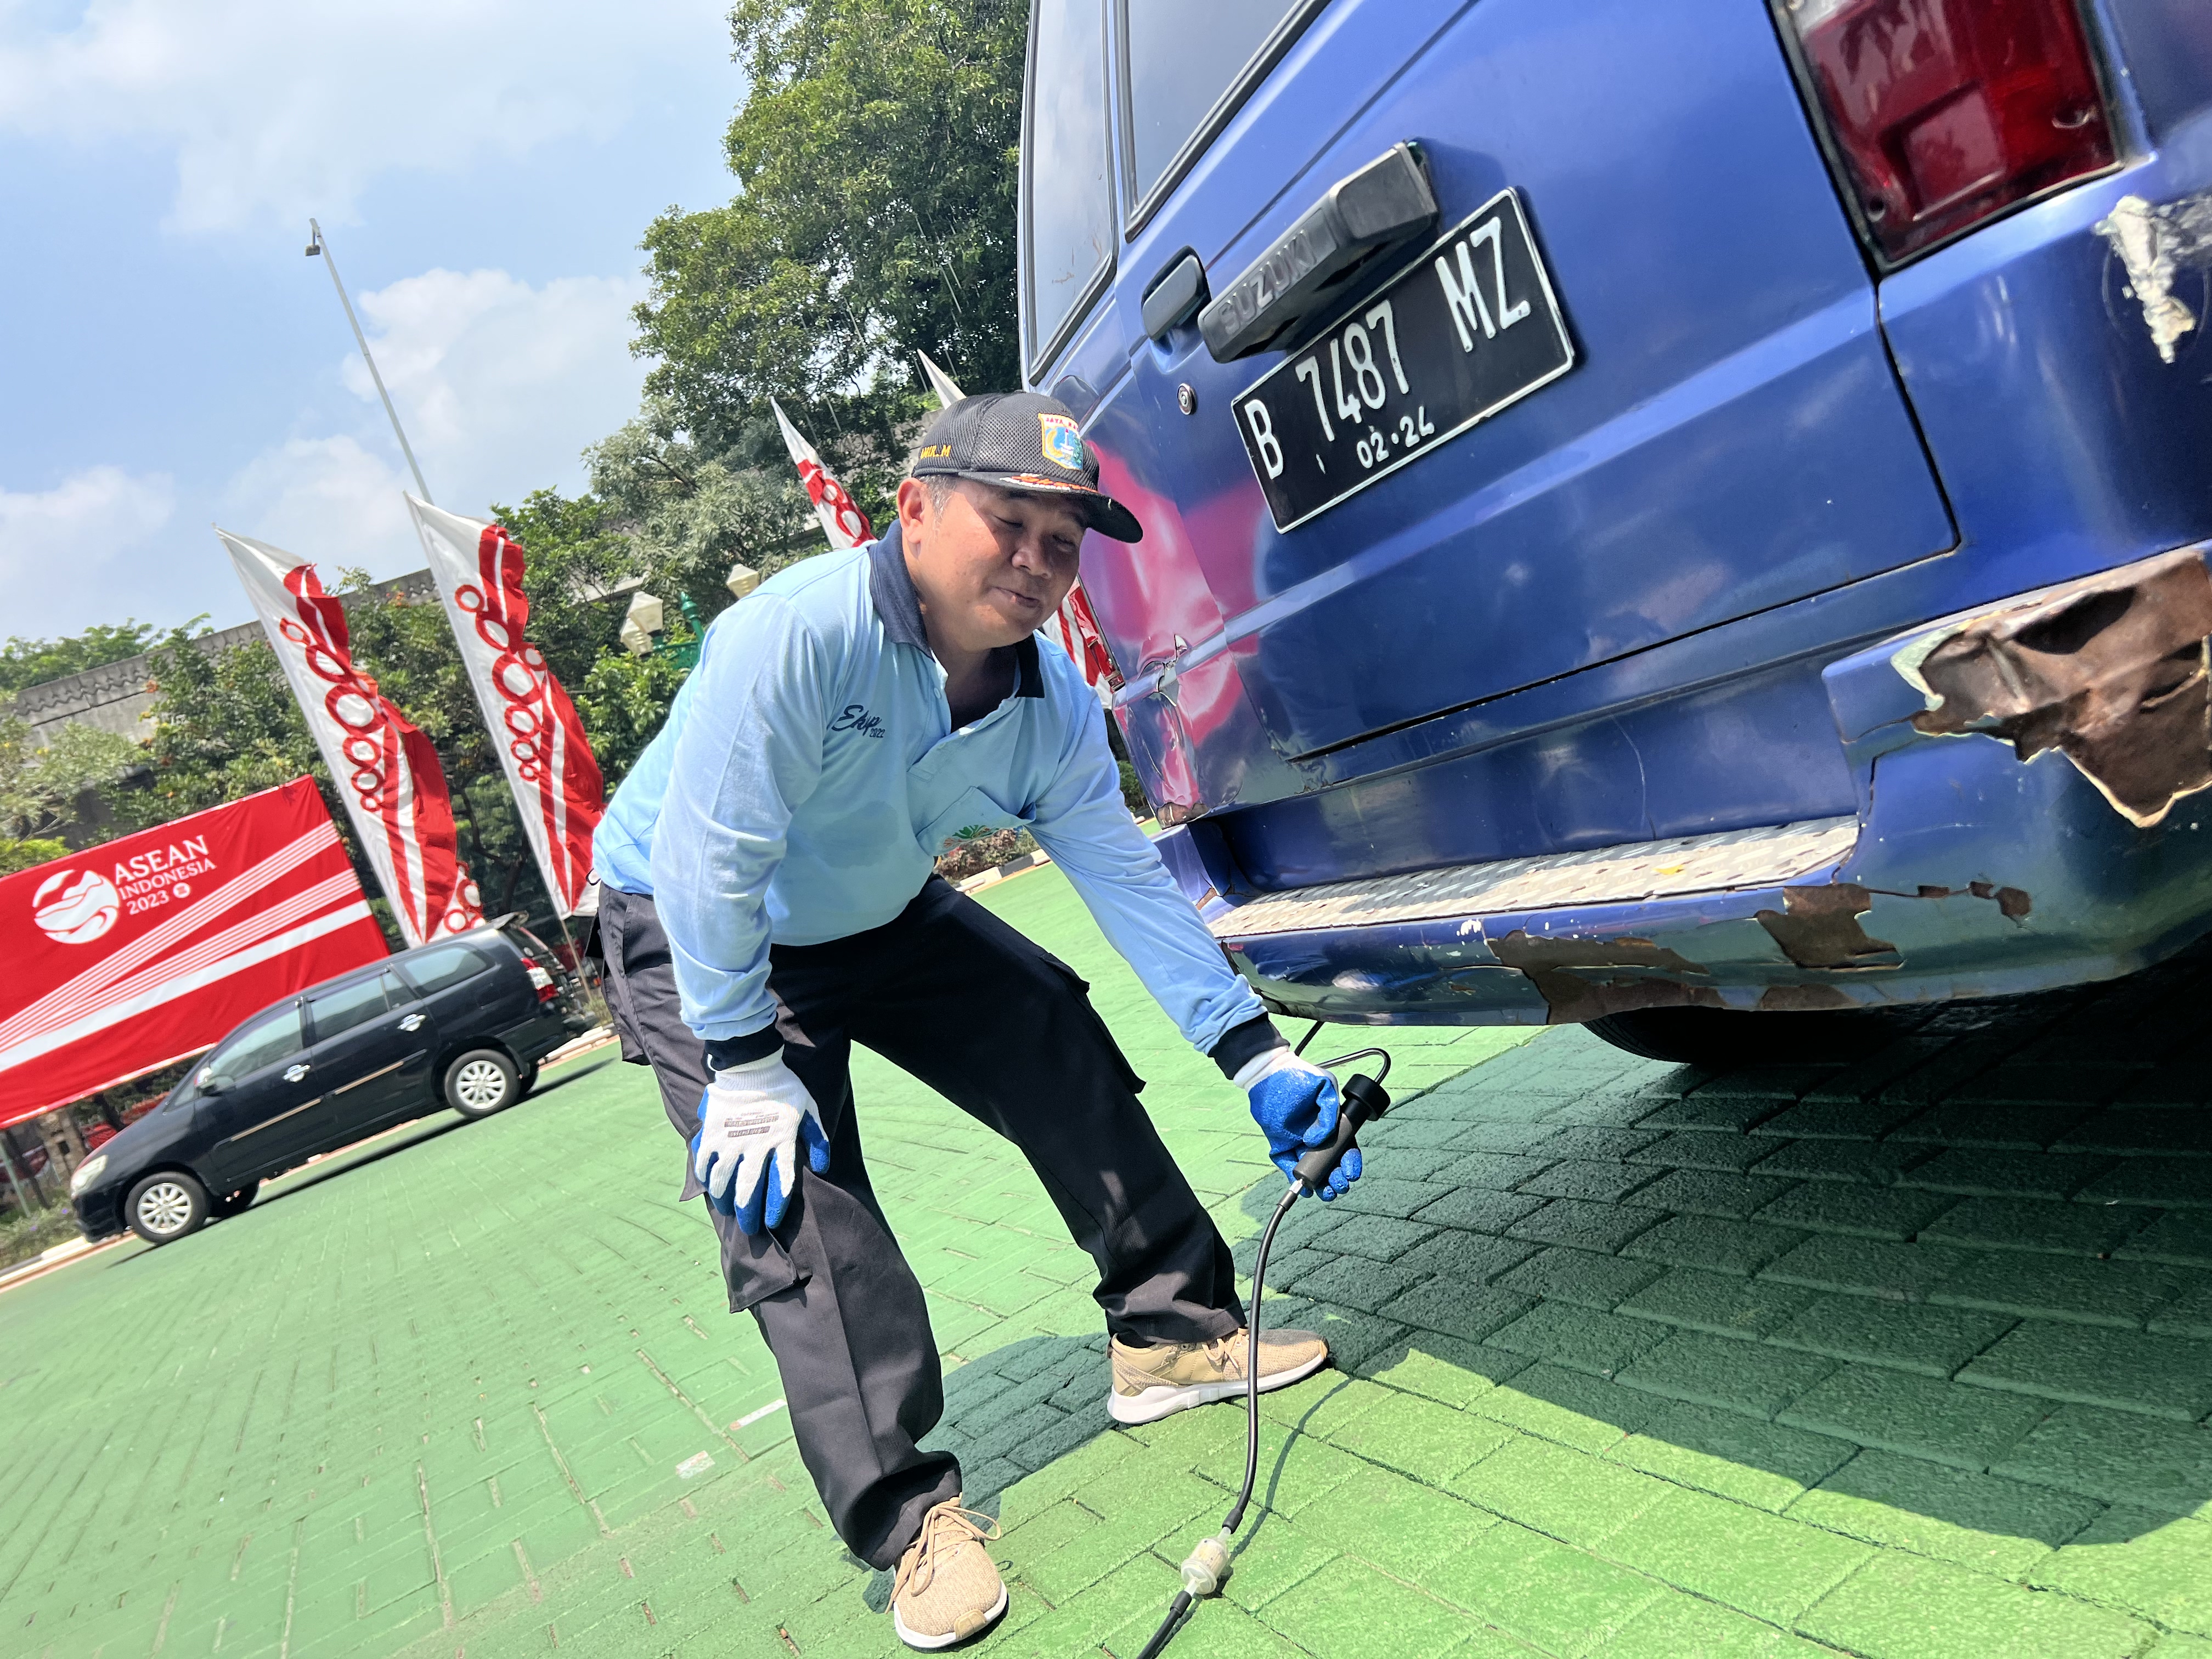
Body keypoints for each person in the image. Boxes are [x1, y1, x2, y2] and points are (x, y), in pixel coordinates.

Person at [590, 392, 1356, 1651]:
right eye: (1011, 524)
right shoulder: (796, 635)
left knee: (1047, 1026)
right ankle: (907, 1520)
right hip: (698, 932)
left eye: (1065, 545)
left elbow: (1118, 870)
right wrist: (737, 1059)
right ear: (916, 511)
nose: (1039, 565)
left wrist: (1252, 1049)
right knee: (793, 1198)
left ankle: (1168, 1336)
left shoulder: (1045, 697)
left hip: (876, 912)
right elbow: (710, 862)